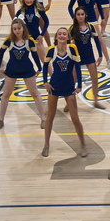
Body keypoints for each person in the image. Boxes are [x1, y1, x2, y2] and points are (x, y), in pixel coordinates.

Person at [42, 26, 88, 157]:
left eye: (64, 34)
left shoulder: (72, 48)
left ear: (68, 37)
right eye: (59, 34)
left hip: (69, 87)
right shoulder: (51, 50)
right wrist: (45, 82)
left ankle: (83, 145)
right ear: (56, 37)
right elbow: (45, 67)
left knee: (75, 118)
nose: (62, 36)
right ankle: (46, 144)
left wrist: (79, 85)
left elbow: (78, 67)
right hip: (55, 86)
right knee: (50, 117)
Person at [0, 18, 47, 131]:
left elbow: (35, 55)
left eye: (19, 28)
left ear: (23, 28)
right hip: (11, 71)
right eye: (14, 29)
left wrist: (39, 68)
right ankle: (1, 119)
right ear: (12, 30)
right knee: (6, 94)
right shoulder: (9, 40)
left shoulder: (30, 41)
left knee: (35, 93)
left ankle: (43, 118)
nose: (17, 31)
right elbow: (1, 53)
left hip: (27, 71)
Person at [70, 7, 108, 107]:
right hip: (77, 57)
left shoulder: (90, 26)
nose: (80, 16)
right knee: (73, 81)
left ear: (85, 15)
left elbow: (97, 41)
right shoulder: (73, 28)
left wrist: (100, 55)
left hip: (89, 56)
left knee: (95, 79)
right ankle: (70, 102)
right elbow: (68, 43)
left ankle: (96, 101)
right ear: (75, 16)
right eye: (78, 14)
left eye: (82, 14)